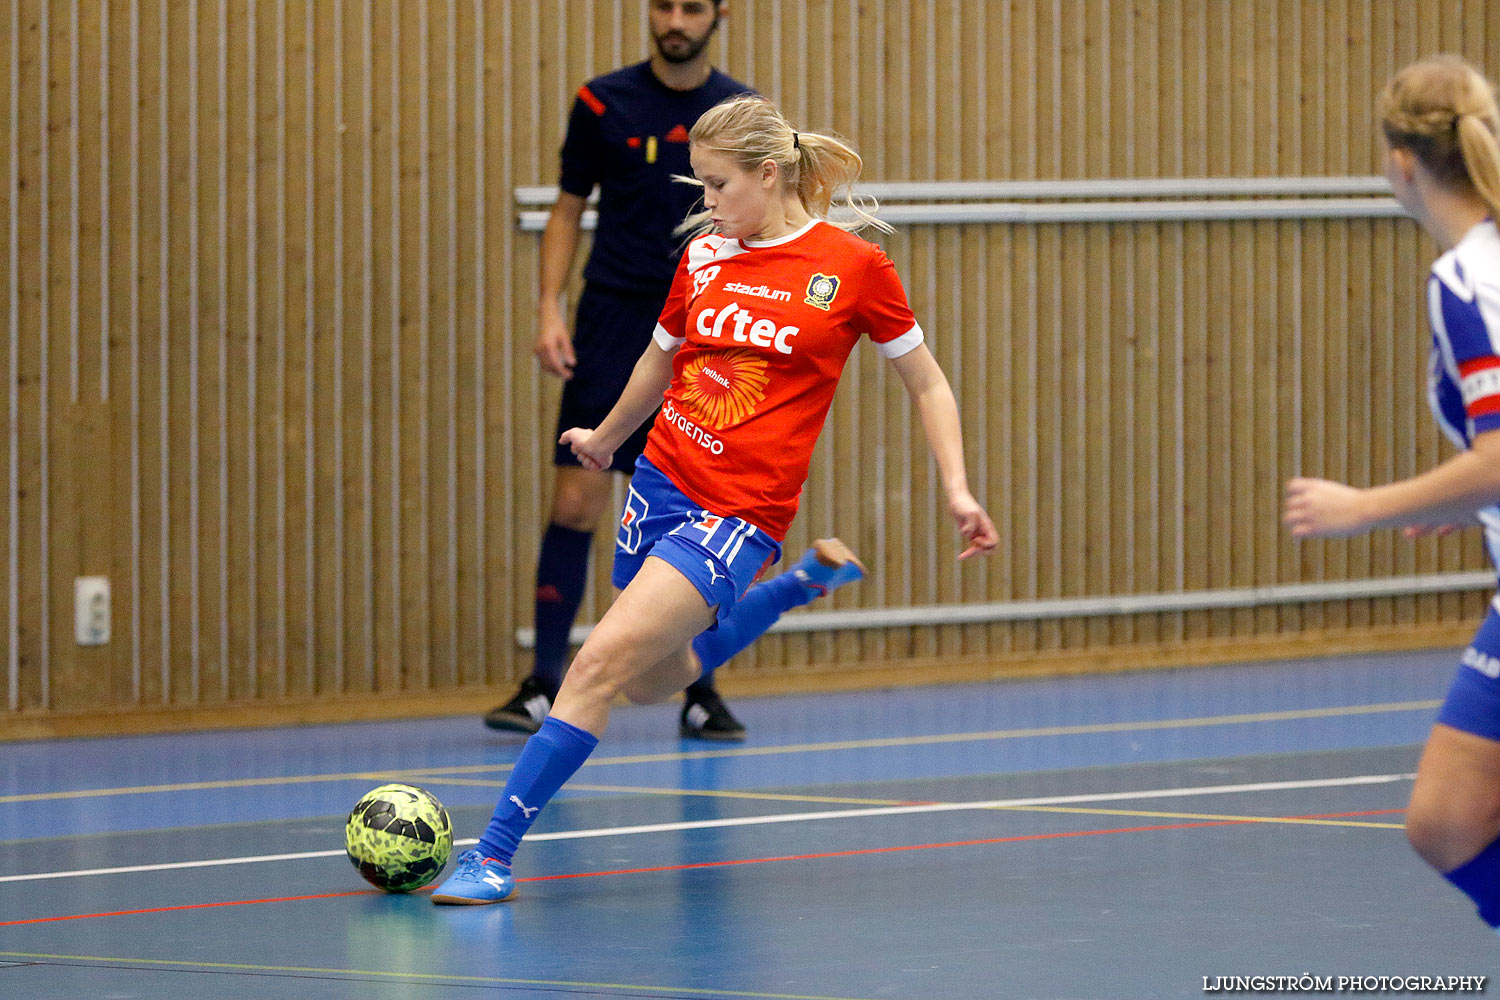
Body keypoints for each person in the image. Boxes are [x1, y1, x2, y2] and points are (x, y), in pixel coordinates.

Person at [432, 94, 999, 904]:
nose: (706, 203)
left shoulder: (851, 267)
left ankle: (490, 856)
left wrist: (957, 488)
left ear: (769, 176)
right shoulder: (704, 256)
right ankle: (801, 586)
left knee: (592, 666)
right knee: (653, 681)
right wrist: (603, 437)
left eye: (718, 184)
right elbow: (660, 361)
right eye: (700, 184)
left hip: (739, 515)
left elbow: (927, 380)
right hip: (661, 482)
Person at [486, 0, 782, 741]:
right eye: (663, 6)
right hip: (615, 323)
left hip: (708, 330)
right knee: (577, 503)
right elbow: (565, 210)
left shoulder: (741, 112)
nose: (674, 21)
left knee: (699, 516)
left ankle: (700, 692)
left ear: (719, 14)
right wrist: (549, 307)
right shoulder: (600, 101)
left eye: (691, 7)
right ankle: (539, 684)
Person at [1283, 55, 1500, 935]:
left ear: (1401, 162)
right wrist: (1458, 505)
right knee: (1453, 819)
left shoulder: (1465, 284)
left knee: (1446, 820)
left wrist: (1364, 507)